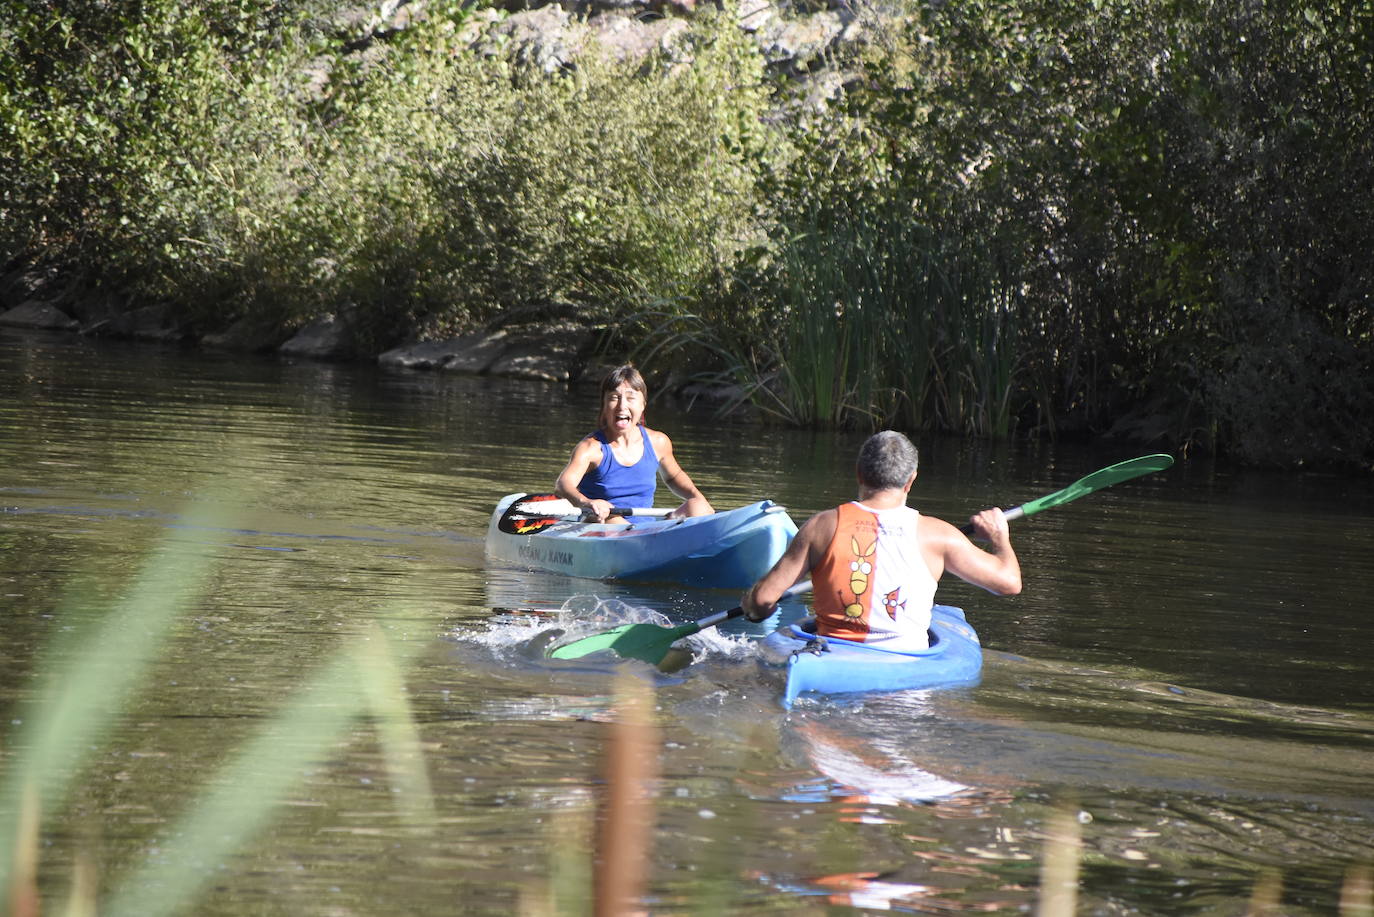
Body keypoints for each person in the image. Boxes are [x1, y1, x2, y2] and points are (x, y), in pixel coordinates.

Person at [742, 430, 1020, 651]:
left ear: (859, 473)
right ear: (910, 481)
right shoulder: (939, 535)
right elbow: (1008, 583)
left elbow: (764, 599)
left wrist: (755, 610)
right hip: (903, 673)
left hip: (831, 656)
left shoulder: (822, 526)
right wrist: (999, 537)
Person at [555, 364, 714, 522]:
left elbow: (673, 478)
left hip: (645, 532)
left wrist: (699, 499)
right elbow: (563, 485)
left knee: (698, 506)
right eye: (614, 398)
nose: (622, 405)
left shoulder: (658, 442)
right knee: (612, 517)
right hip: (601, 523)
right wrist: (587, 502)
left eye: (630, 398)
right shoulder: (590, 448)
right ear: (604, 406)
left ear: (643, 405)